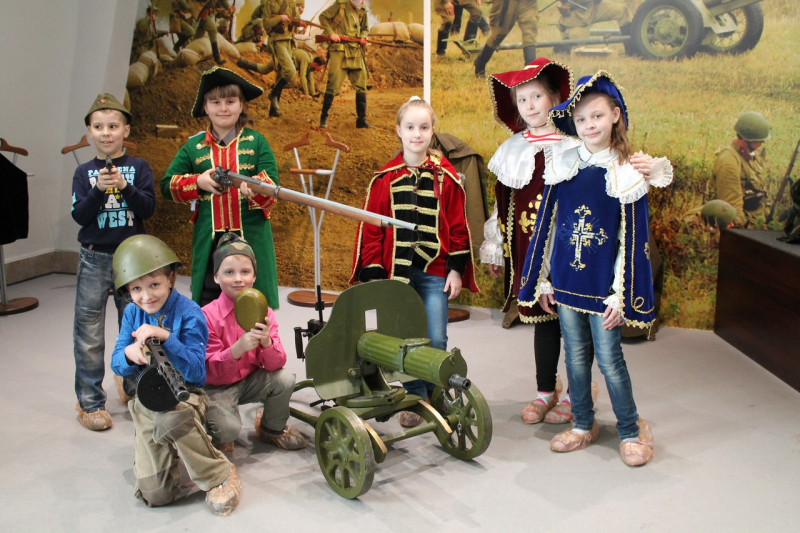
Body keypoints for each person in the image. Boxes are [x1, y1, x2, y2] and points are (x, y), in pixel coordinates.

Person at [517, 71, 672, 465]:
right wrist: (545, 279)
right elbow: (551, 226)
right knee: (574, 357)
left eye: (598, 116)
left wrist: (621, 294)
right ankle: (583, 424)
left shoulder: (626, 170)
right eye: (582, 118)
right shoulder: (564, 163)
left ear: (615, 115)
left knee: (610, 361)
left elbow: (629, 240)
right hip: (567, 284)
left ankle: (630, 429)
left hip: (603, 289)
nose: (589, 125)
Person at [350, 97, 479, 427]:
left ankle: (436, 394)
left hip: (435, 272)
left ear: (432, 131)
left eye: (424, 127)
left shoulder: (446, 178)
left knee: (436, 338)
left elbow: (457, 226)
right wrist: (374, 272)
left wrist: (455, 270)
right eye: (410, 127)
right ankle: (415, 397)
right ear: (399, 130)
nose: (417, 134)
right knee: (404, 339)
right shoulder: (385, 179)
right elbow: (373, 228)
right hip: (397, 276)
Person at [110, 235, 241, 514]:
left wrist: (166, 337)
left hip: (186, 394)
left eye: (154, 285)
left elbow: (197, 372)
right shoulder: (132, 313)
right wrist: (129, 354)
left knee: (171, 417)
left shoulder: (189, 312)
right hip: (147, 399)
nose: (147, 296)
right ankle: (168, 452)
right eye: (136, 289)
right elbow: (117, 363)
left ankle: (219, 474)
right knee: (156, 495)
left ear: (170, 279)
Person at [161, 66, 280, 309]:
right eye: (215, 102)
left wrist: (256, 189)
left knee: (253, 307)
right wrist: (198, 182)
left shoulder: (257, 142)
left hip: (252, 239)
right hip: (210, 244)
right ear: (205, 107)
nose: (223, 108)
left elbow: (272, 189)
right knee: (209, 305)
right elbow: (167, 185)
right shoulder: (192, 146)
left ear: (241, 105)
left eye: (230, 101)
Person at [71, 93, 156, 431]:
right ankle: (90, 401)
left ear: (125, 130)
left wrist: (124, 187)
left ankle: (136, 390)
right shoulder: (83, 172)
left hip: (133, 261)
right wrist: (98, 191)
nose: (106, 133)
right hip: (94, 257)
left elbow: (147, 208)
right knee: (89, 332)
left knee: (136, 328)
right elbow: (80, 216)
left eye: (113, 126)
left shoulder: (139, 167)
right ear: (89, 132)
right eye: (98, 127)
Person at [202, 233, 307, 453]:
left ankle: (271, 428)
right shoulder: (206, 316)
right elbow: (208, 371)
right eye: (229, 272)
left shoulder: (264, 312)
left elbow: (276, 364)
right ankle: (209, 421)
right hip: (218, 386)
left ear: (254, 276)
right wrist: (236, 350)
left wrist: (267, 343)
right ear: (216, 277)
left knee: (285, 379)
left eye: (245, 272)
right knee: (227, 432)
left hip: (249, 379)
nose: (238, 279)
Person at [318, 0, 373, 129]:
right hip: (339, 50)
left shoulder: (362, 9)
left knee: (361, 85)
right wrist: (331, 33)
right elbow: (323, 17)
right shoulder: (341, 5)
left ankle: (361, 121)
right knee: (333, 84)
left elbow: (365, 28)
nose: (362, 1)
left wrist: (363, 37)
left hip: (356, 51)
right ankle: (323, 118)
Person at [712, 111, 771, 228]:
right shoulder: (729, 162)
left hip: (758, 219)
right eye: (759, 140)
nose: (762, 142)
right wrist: (748, 231)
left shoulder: (752, 156)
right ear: (747, 139)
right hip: (746, 224)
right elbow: (732, 208)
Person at [262, 0, 306, 117]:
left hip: (289, 40)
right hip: (277, 40)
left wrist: (300, 23)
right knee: (290, 70)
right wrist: (280, 18)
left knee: (280, 74)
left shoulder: (290, 2)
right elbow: (266, 23)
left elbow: (295, 18)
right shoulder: (269, 3)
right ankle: (273, 93)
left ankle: (273, 109)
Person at [473, 0, 539, 77]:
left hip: (528, 2)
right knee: (499, 33)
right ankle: (480, 63)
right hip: (507, 2)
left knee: (530, 30)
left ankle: (530, 71)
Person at [557, 0, 631, 45]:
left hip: (593, 7)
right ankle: (564, 42)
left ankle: (631, 50)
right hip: (577, 16)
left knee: (622, 11)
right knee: (579, 48)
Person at [193, 0, 234, 65]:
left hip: (207, 13)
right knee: (213, 30)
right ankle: (217, 57)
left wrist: (228, 7)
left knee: (198, 36)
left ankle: (190, 51)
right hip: (202, 12)